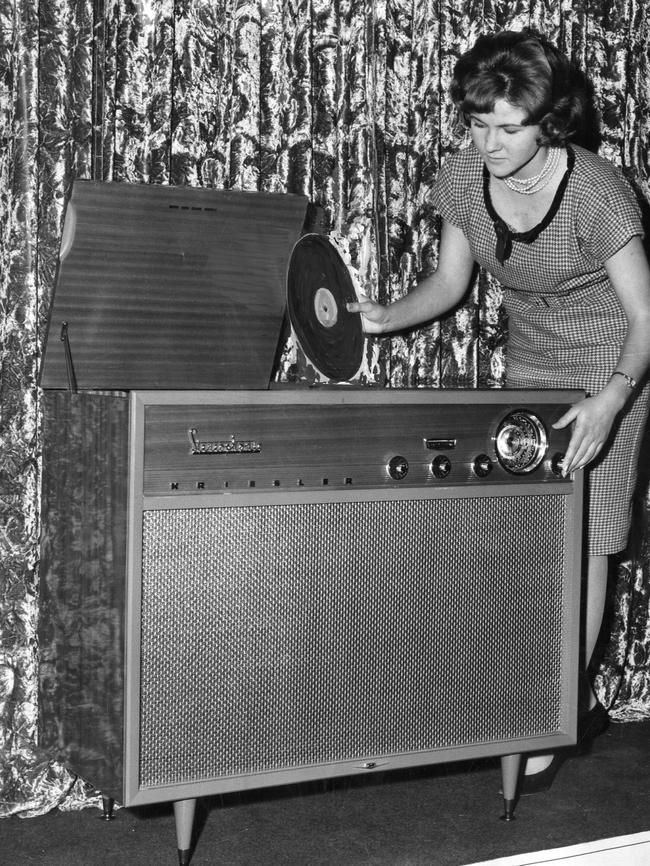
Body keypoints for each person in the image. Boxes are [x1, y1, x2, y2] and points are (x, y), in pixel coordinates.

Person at [347, 29, 650, 792]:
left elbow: (649, 318)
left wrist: (612, 401)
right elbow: (450, 285)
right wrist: (383, 318)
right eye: (477, 123)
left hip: (616, 364)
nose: (489, 142)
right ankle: (545, 689)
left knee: (587, 538)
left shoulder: (597, 190)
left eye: (507, 127)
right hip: (533, 363)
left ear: (549, 121)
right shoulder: (462, 177)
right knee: (532, 536)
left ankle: (553, 713)